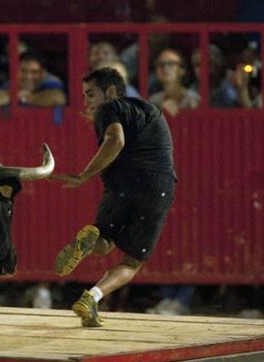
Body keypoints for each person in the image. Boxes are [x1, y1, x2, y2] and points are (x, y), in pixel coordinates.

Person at [52, 67, 176, 327]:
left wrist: (83, 175)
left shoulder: (108, 108)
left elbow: (116, 141)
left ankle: (89, 243)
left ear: (110, 91)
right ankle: (92, 297)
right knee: (132, 261)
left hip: (121, 184)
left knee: (104, 240)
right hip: (157, 186)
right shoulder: (152, 110)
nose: (87, 103)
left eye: (90, 95)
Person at [0, 50, 66, 108]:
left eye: (34, 72)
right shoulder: (9, 85)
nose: (28, 76)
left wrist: (23, 97)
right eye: (23, 71)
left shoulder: (49, 83)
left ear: (42, 74)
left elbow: (58, 99)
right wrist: (22, 94)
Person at [148, 48, 200, 116]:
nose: (165, 68)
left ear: (182, 70)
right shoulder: (153, 101)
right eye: (161, 64)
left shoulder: (194, 99)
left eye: (171, 64)